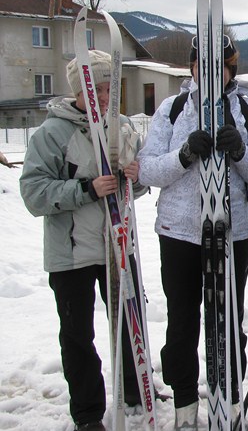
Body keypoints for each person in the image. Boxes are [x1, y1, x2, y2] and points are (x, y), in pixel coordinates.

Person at [137, 35, 248, 430]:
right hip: (178, 232)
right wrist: (183, 155)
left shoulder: (247, 108)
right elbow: (147, 170)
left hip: (233, 231)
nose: (211, 72)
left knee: (229, 318)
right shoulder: (173, 108)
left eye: (220, 65)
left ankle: (230, 399)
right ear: (192, 66)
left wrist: (240, 152)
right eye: (202, 64)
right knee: (181, 320)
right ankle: (184, 404)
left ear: (231, 67)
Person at [20, 50, 147, 431]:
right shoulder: (52, 134)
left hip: (117, 244)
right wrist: (85, 189)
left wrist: (136, 177)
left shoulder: (123, 127)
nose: (105, 98)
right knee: (78, 335)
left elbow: (138, 185)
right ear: (80, 91)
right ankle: (88, 412)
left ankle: (136, 390)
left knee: (129, 322)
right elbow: (33, 192)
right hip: (71, 253)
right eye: (96, 90)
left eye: (110, 89)